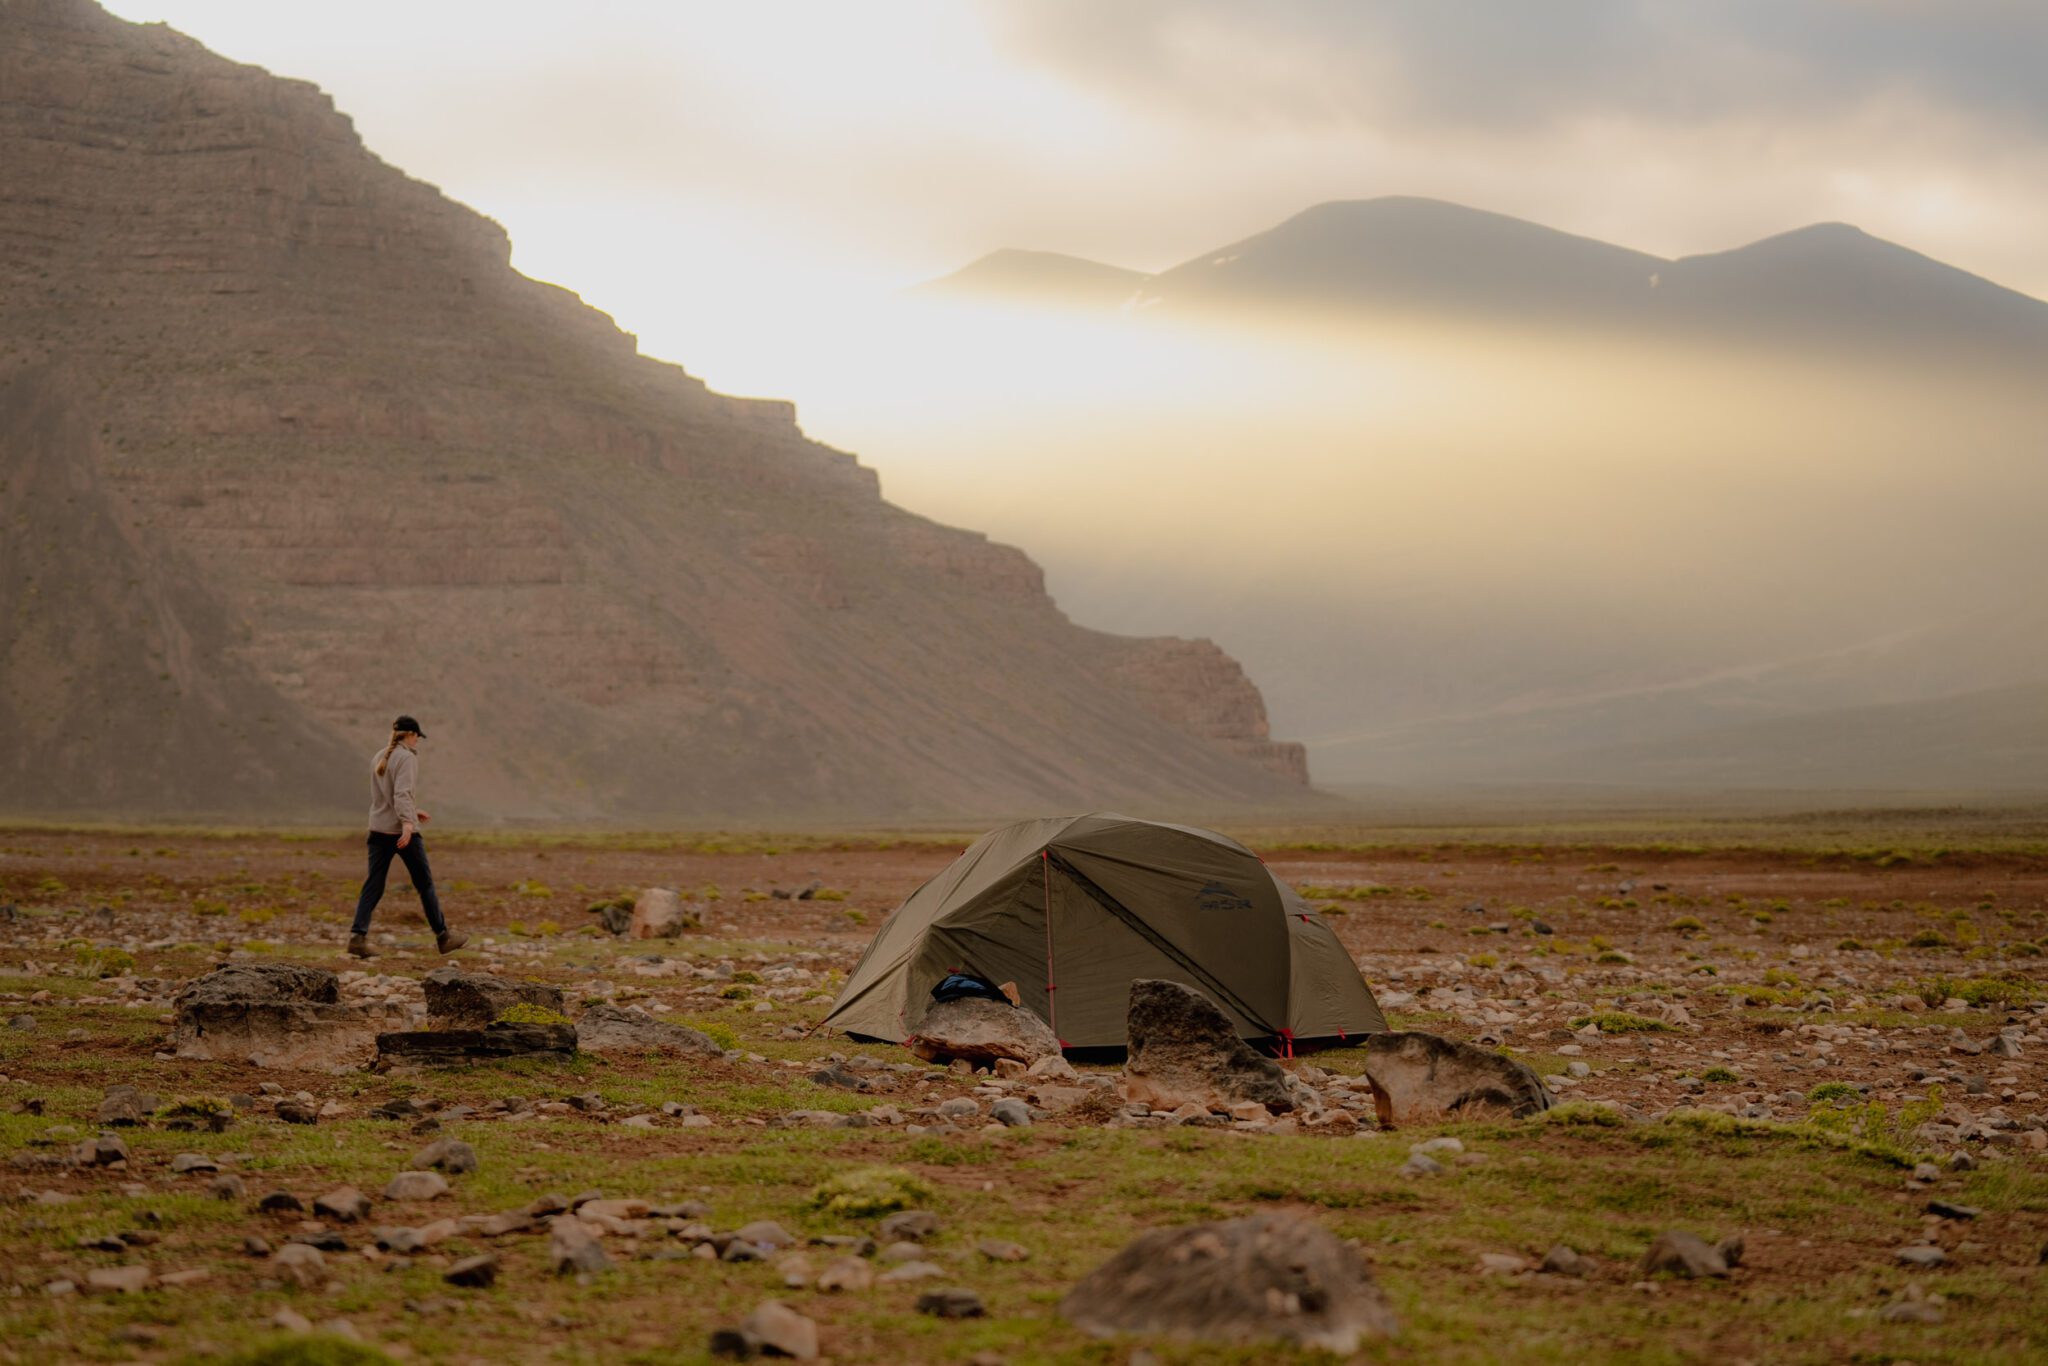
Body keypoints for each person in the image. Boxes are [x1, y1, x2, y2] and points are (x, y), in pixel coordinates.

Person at [349, 714, 467, 958]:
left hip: (377, 829)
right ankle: (443, 936)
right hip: (401, 832)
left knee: (374, 883)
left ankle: (357, 937)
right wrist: (407, 824)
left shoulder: (379, 756)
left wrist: (413, 811)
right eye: (417, 738)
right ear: (411, 736)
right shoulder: (406, 758)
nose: (418, 742)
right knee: (425, 884)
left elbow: (385, 796)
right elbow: (401, 794)